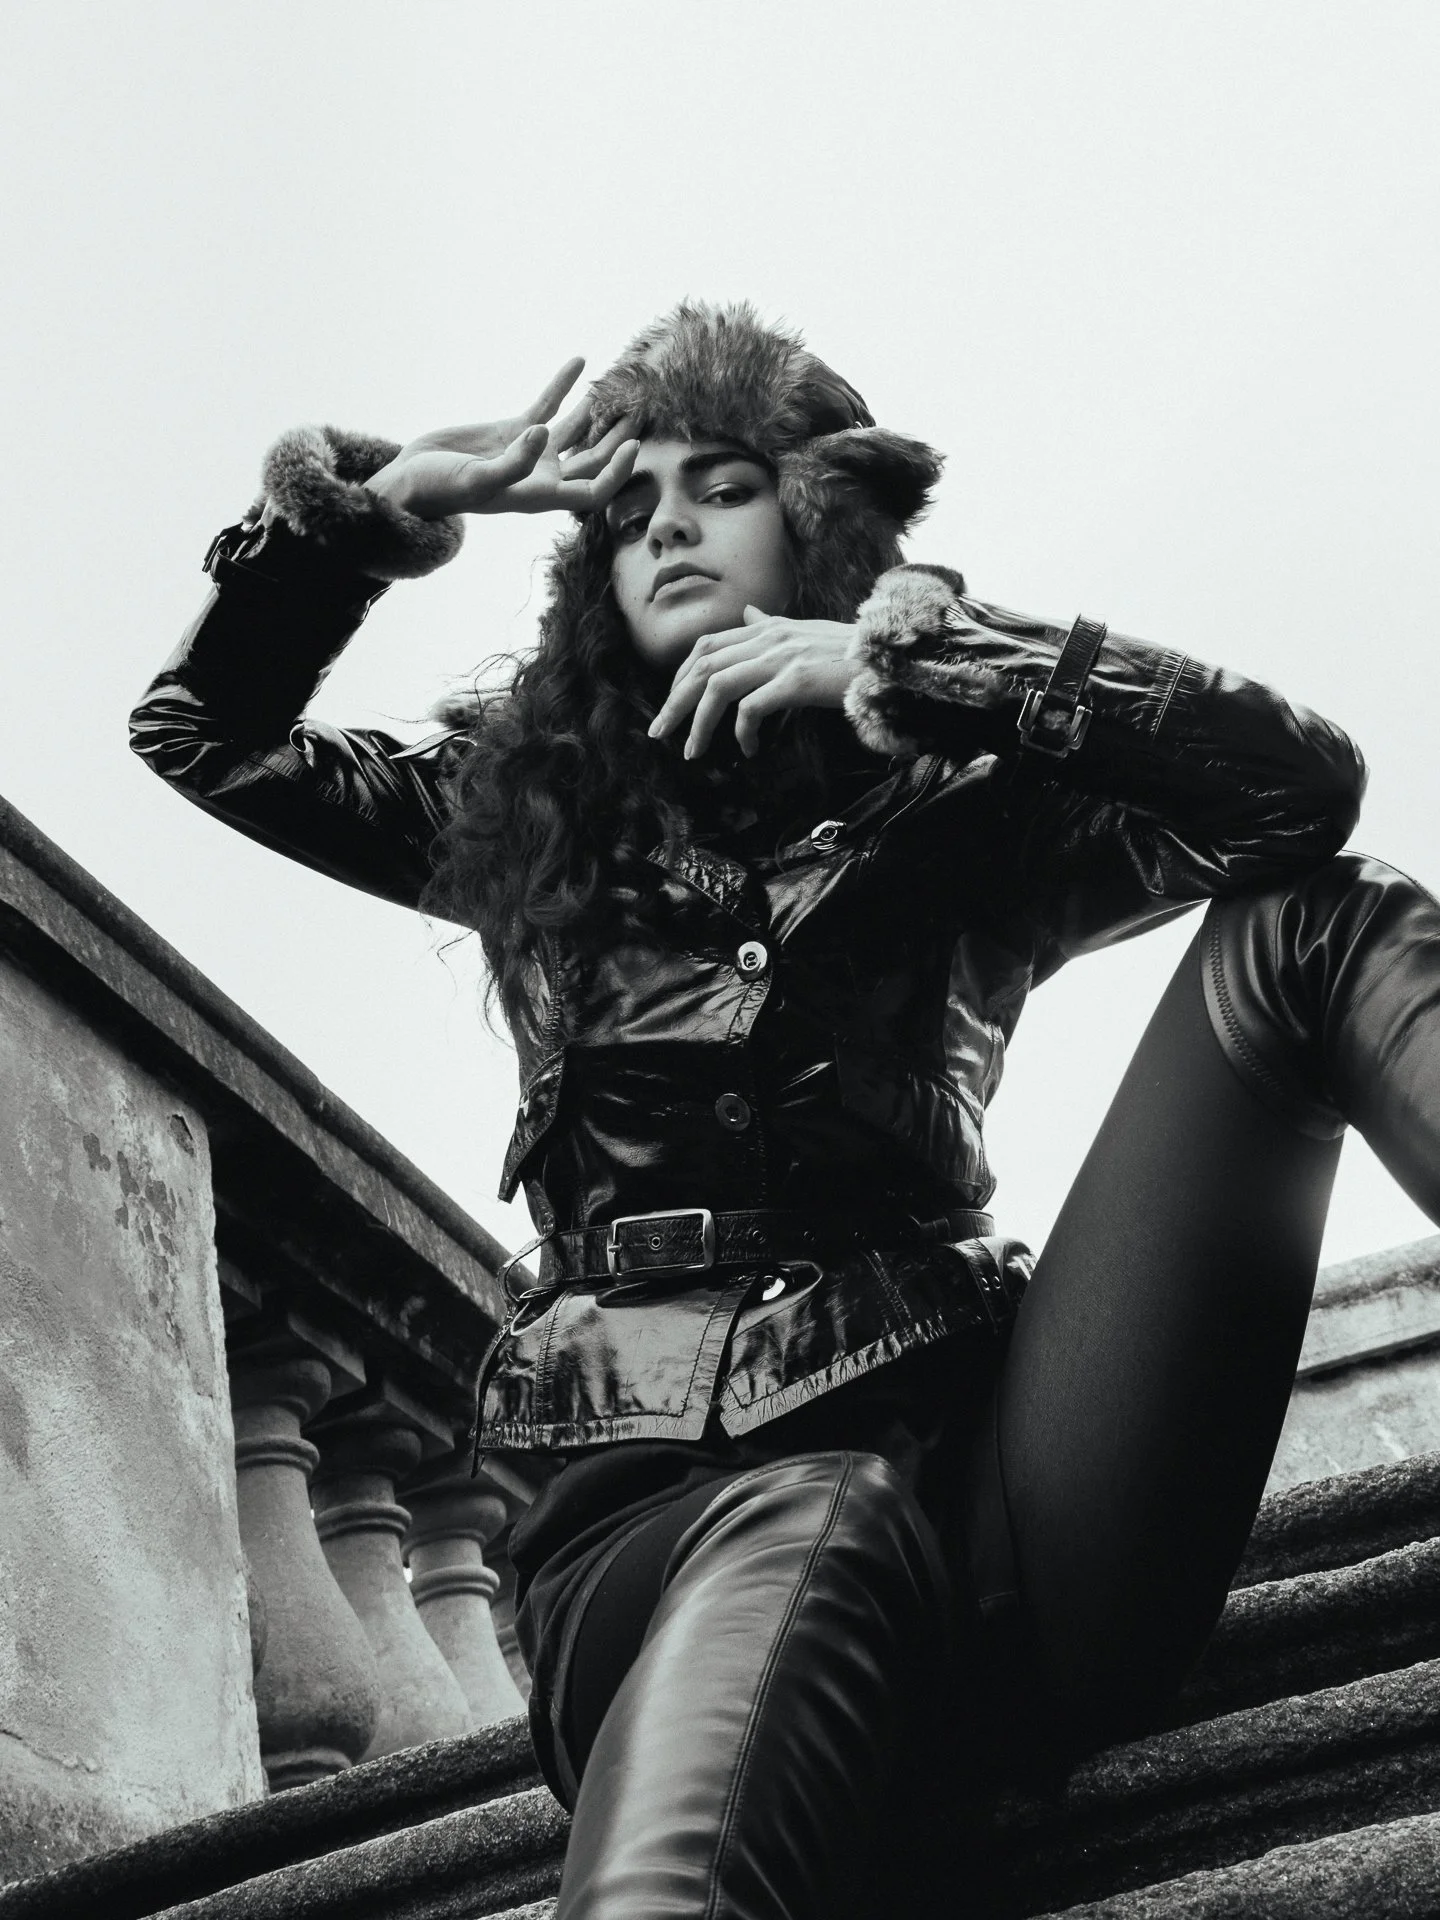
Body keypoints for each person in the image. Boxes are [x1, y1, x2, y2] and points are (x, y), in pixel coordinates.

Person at [130, 303, 1440, 1919]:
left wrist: (924, 669)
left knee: (1325, 926)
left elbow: (1295, 793)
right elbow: (202, 735)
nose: (668, 524)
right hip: (654, 1541)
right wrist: (367, 518)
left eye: (724, 484)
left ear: (818, 520)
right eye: (627, 505)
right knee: (807, 1510)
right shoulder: (524, 811)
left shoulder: (966, 805)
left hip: (999, 1516)